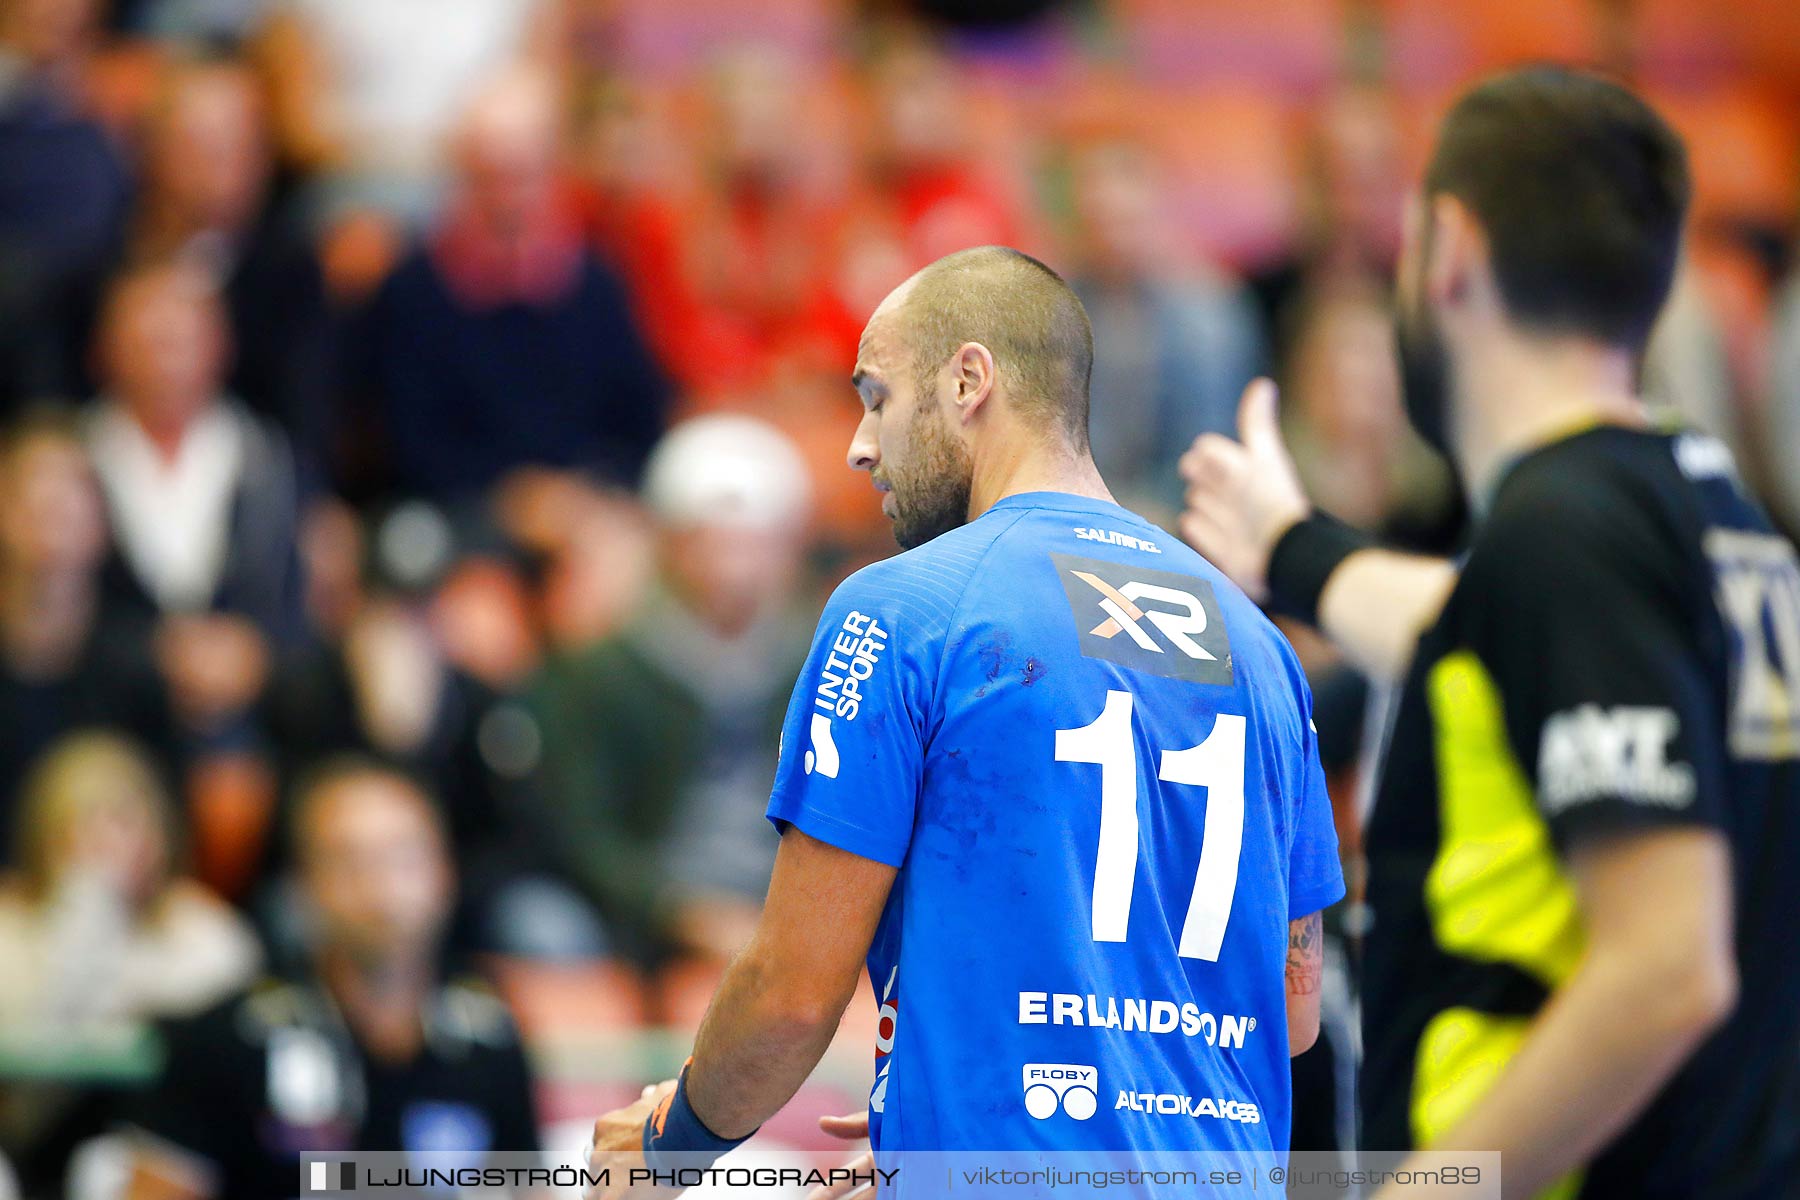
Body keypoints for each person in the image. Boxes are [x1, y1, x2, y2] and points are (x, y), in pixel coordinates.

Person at [587, 247, 1343, 1182]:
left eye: (877, 397)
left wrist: (672, 1139)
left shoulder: (904, 608)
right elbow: (1293, 1008)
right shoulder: (1258, 643)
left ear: (968, 380)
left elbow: (790, 995)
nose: (860, 444)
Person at [1179, 67, 1800, 1198]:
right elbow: (1482, 634)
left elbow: (1669, 969)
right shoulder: (1711, 510)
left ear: (1449, 248)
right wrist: (1292, 550)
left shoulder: (1568, 533)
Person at [123, 759, 540, 1200]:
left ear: (445, 872)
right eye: (349, 860)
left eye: (404, 857)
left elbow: (528, 1192)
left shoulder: (488, 1040)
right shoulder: (227, 1041)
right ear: (304, 884)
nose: (381, 887)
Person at [527, 415, 813, 968]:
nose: (734, 569)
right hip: (643, 916)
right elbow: (583, 832)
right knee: (545, 927)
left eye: (754, 544)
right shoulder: (599, 670)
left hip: (798, 902)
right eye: (712, 543)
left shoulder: (829, 661)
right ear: (668, 545)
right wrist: (678, 913)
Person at [353, 65, 667, 504]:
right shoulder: (414, 293)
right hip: (460, 518)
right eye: (489, 177)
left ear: (553, 173)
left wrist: (582, 497)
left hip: (589, 511)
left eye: (522, 175)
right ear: (461, 175)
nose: (507, 197)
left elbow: (639, 424)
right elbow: (407, 441)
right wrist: (511, 503)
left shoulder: (597, 285)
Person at [0, 411, 176, 859]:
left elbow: (162, 821)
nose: (52, 502)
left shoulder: (139, 661)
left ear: (103, 521)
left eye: (73, 487)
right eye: (29, 487)